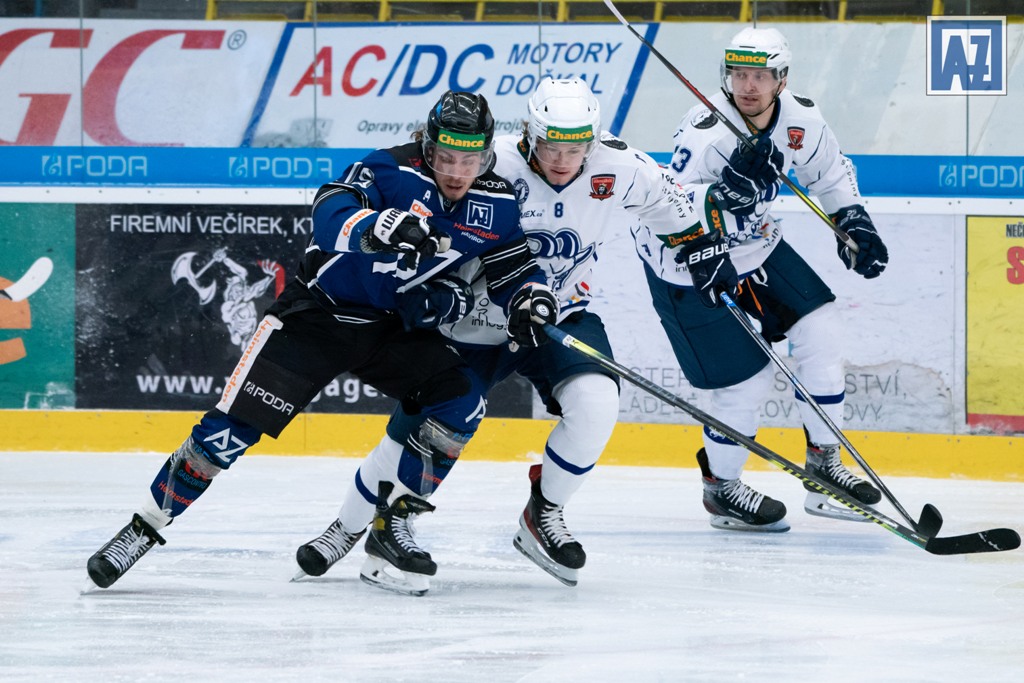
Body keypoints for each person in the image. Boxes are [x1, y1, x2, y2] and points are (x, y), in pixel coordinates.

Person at [86, 90, 554, 590]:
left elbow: (513, 269)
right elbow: (329, 210)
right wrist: (376, 225)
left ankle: (392, 523)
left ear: (486, 155)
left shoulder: (496, 203)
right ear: (428, 146)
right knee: (230, 432)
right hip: (316, 317)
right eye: (446, 158)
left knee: (462, 400)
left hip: (389, 327)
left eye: (470, 160)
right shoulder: (388, 169)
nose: (457, 172)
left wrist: (530, 298)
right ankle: (143, 526)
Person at [294, 77, 712, 589]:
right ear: (529, 134)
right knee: (419, 436)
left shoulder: (621, 167)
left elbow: (676, 207)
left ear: (593, 140)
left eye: (575, 149)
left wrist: (702, 250)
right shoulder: (489, 166)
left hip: (557, 313)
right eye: (551, 146)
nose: (562, 160)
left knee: (597, 401)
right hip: (468, 321)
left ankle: (544, 513)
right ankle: (350, 526)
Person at [632, 27, 889, 532]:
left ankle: (824, 463)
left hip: (756, 245)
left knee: (821, 330)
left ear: (782, 79)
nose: (748, 86)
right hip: (684, 262)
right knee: (745, 383)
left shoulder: (802, 120)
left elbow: (831, 172)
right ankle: (722, 489)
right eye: (739, 74)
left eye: (761, 76)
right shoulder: (705, 132)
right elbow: (664, 205)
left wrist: (853, 219)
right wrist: (722, 195)